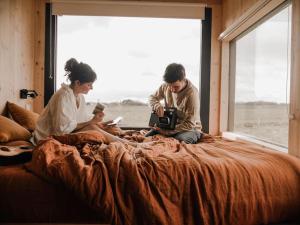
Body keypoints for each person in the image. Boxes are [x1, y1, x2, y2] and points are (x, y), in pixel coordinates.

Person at [33, 58, 140, 146]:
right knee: (91, 127)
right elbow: (62, 130)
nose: (91, 87)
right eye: (89, 84)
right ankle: (129, 144)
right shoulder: (62, 96)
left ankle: (126, 142)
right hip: (47, 137)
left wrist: (99, 122)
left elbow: (80, 122)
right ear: (78, 82)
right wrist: (91, 123)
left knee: (101, 127)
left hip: (65, 132)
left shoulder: (79, 97)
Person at [146, 63, 202, 144]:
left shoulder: (192, 94)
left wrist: (167, 132)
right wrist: (156, 105)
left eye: (176, 87)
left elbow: (190, 124)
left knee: (182, 142)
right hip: (169, 126)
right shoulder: (165, 86)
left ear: (184, 79)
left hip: (189, 129)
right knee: (146, 138)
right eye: (169, 86)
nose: (172, 90)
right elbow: (151, 97)